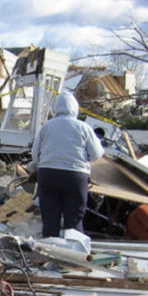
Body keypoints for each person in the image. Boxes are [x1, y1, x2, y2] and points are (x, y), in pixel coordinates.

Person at [28, 91, 104, 238]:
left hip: (48, 174)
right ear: (75, 108)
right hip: (75, 176)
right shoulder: (83, 127)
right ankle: (74, 251)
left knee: (50, 218)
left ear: (56, 108)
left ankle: (50, 252)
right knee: (74, 219)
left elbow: (35, 155)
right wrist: (83, 159)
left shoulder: (46, 127)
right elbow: (96, 153)